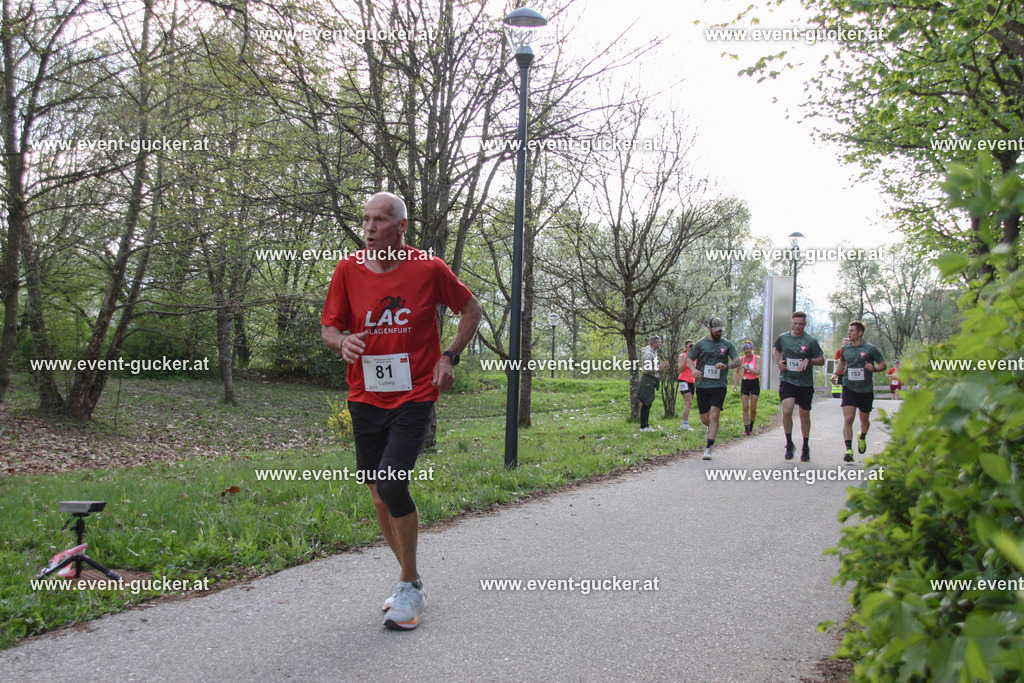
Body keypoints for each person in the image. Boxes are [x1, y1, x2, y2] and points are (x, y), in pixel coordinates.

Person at [321, 192, 482, 631]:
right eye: (366, 220)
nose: (370, 228)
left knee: (391, 484)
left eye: (379, 220)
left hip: (414, 394)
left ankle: (409, 584)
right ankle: (409, 580)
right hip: (364, 396)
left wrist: (449, 356)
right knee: (377, 494)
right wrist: (342, 342)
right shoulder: (347, 270)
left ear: (401, 226)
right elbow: (329, 327)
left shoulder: (428, 268)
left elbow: (471, 309)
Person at [773, 311, 825, 461]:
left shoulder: (810, 341)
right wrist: (779, 362)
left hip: (805, 382)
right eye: (795, 323)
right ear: (792, 323)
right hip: (788, 379)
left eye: (800, 324)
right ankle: (789, 444)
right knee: (787, 410)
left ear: (805, 324)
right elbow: (776, 349)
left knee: (804, 415)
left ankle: (805, 446)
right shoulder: (784, 338)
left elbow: (821, 360)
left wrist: (809, 360)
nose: (797, 326)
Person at [832, 320, 886, 463]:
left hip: (865, 390)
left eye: (852, 331)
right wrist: (836, 374)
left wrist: (874, 369)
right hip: (849, 387)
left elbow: (883, 365)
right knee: (848, 418)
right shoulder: (846, 349)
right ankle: (848, 450)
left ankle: (862, 436)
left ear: (860, 333)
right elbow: (842, 362)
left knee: (864, 421)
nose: (849, 333)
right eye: (848, 331)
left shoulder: (870, 349)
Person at [688, 317, 741, 460]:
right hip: (703, 385)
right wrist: (693, 370)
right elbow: (689, 358)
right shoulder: (700, 344)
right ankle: (710, 428)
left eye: (720, 331)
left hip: (719, 385)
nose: (718, 333)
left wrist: (727, 366)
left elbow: (738, 361)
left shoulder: (727, 344)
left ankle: (709, 447)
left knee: (715, 415)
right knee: (705, 419)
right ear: (709, 329)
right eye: (716, 331)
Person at [638, 335, 669, 432]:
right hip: (647, 379)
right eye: (659, 342)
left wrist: (659, 367)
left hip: (651, 379)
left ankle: (646, 425)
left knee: (649, 403)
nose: (660, 344)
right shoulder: (649, 354)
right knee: (646, 402)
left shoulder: (654, 353)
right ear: (654, 343)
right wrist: (658, 369)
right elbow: (647, 368)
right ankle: (643, 426)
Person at [733, 341, 761, 436]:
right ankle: (746, 428)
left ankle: (751, 426)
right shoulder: (742, 359)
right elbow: (737, 372)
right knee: (745, 406)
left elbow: (757, 372)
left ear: (751, 349)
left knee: (753, 408)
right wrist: (735, 384)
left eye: (747, 349)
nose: (746, 351)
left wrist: (748, 368)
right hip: (745, 382)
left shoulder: (757, 358)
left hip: (754, 383)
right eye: (744, 349)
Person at [677, 340, 696, 431]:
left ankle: (686, 422)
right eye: (690, 346)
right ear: (686, 347)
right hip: (683, 380)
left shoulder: (695, 357)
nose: (692, 347)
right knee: (688, 402)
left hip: (692, 381)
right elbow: (680, 369)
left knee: (690, 403)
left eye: (694, 346)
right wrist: (686, 359)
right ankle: (684, 424)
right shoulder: (682, 356)